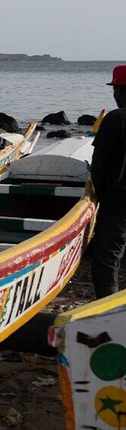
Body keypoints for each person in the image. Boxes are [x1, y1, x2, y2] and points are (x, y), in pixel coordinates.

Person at [91, 64, 126, 298]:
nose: (113, 95)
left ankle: (106, 310)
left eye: (115, 89)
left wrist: (98, 195)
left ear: (121, 90)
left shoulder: (115, 119)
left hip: (117, 201)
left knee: (106, 259)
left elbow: (98, 161)